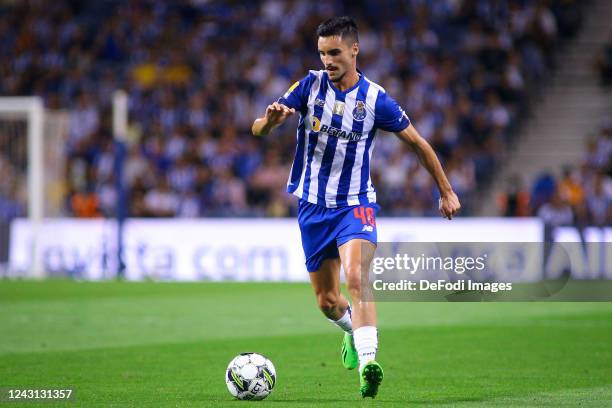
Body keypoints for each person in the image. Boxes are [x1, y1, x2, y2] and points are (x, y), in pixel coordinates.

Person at [251, 16, 460, 398]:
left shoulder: (376, 99)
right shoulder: (308, 85)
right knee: (328, 302)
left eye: (334, 53)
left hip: (355, 204)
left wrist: (445, 190)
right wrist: (270, 122)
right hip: (313, 207)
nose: (327, 60)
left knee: (357, 278)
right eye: (322, 53)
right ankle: (350, 332)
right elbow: (258, 128)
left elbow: (417, 143)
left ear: (354, 50)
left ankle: (368, 364)